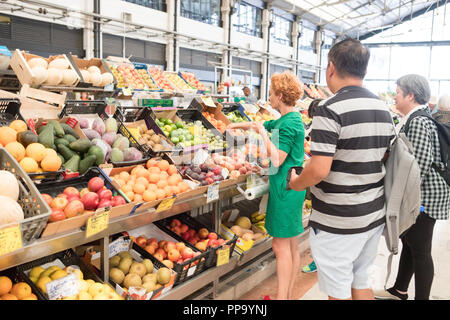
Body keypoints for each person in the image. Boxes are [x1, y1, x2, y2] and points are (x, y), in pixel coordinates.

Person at [288, 38, 395, 300]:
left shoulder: (329, 108)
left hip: (338, 220)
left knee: (337, 291)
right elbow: (382, 157)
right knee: (361, 281)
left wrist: (296, 181)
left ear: (331, 68)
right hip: (372, 212)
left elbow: (319, 169)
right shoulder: (383, 108)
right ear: (365, 71)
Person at [227, 71, 306, 300]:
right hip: (291, 188)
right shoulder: (288, 118)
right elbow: (257, 123)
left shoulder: (290, 123)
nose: (269, 97)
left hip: (285, 191)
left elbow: (277, 159)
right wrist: (233, 124)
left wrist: (263, 133)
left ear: (280, 95)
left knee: (280, 248)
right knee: (291, 245)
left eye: (271, 93)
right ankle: (288, 296)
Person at [373, 74, 450, 300]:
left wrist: (401, 197)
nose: (395, 97)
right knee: (410, 241)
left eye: (398, 92)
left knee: (421, 250)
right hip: (424, 194)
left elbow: (420, 164)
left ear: (410, 95)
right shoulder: (420, 117)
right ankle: (399, 290)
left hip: (424, 198)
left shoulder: (417, 121)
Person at [302, 98, 323, 274]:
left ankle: (318, 261)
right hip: (319, 185)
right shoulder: (314, 127)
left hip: (320, 184)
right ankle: (319, 260)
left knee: (318, 227)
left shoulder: (322, 130)